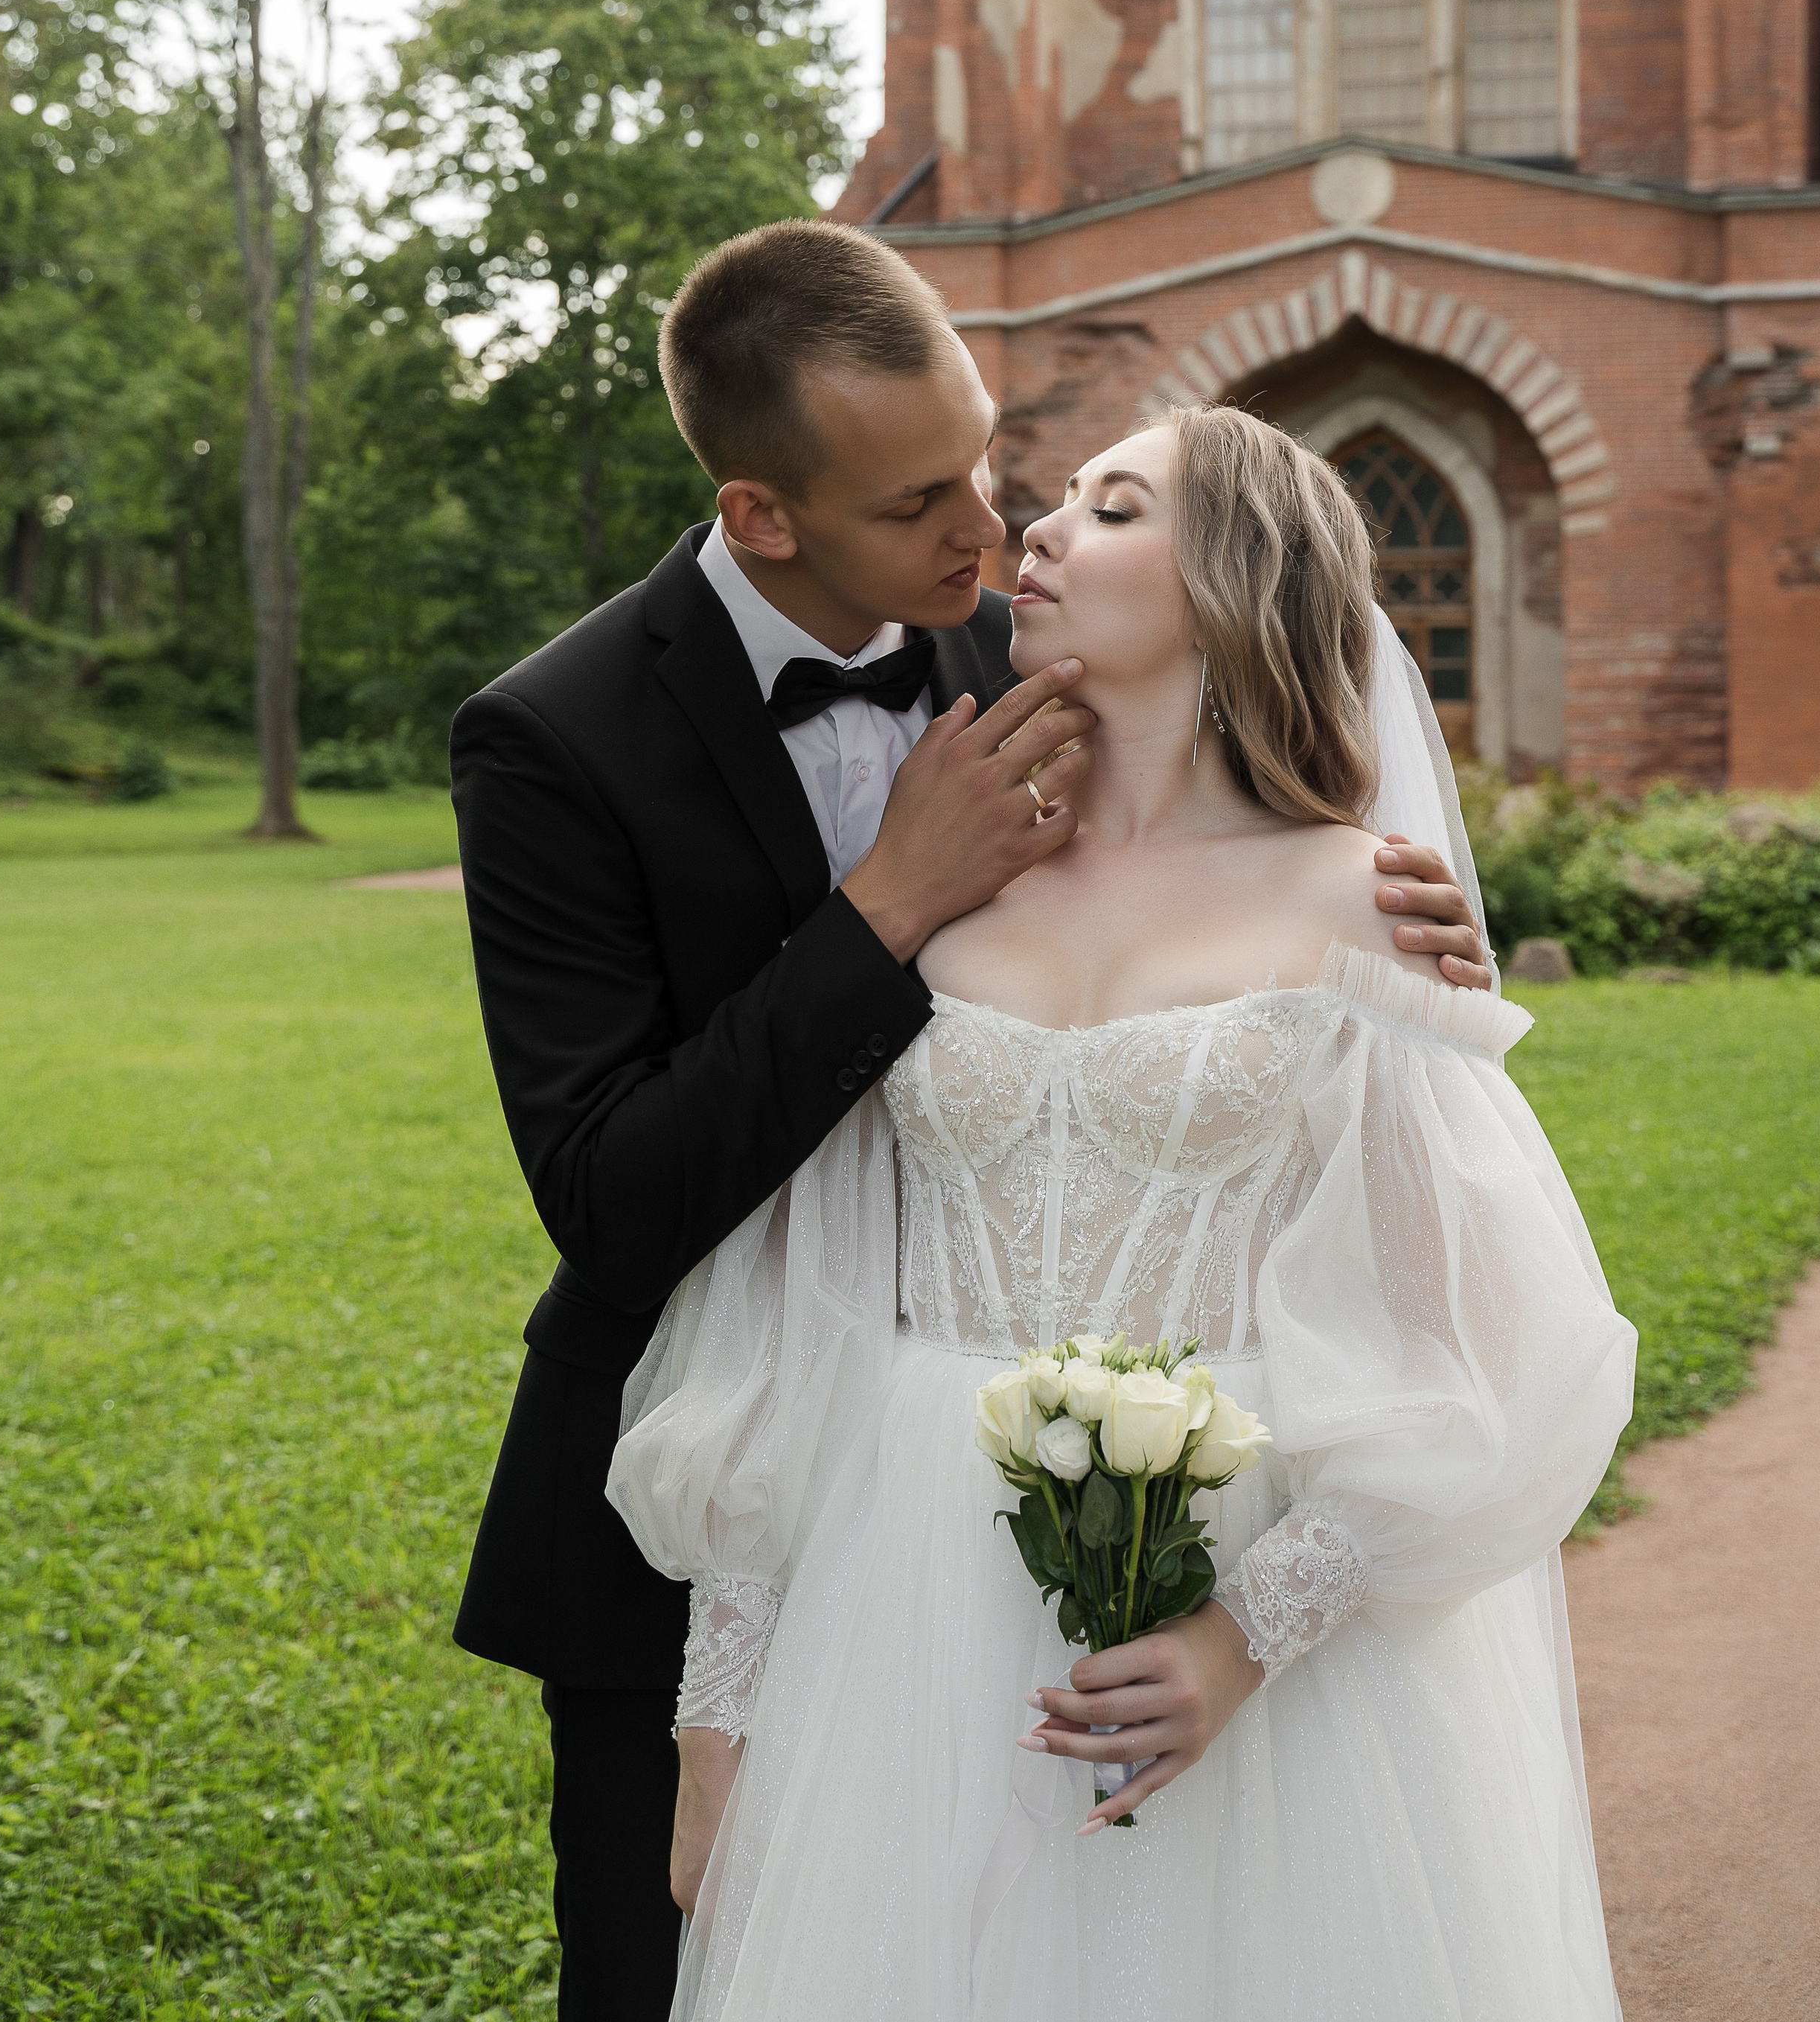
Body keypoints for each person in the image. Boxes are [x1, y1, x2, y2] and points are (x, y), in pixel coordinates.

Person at [448, 221, 1493, 2022]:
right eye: (921, 497)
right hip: (721, 1507)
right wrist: (879, 911)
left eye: (1001, 462)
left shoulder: (1024, 655)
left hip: (1178, 1522)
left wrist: (1377, 954)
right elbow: (617, 1203)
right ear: (761, 512)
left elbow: (1228, 895)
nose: (993, 524)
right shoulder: (554, 736)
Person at [608, 401, 1635, 2022]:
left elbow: (1490, 1343)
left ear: (1236, 577)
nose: (1034, 532)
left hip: (1246, 1601)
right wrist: (717, 1716)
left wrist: (1244, 1631)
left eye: (1108, 506)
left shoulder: (1366, 901)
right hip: (898, 1600)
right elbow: (791, 1304)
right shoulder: (938, 873)